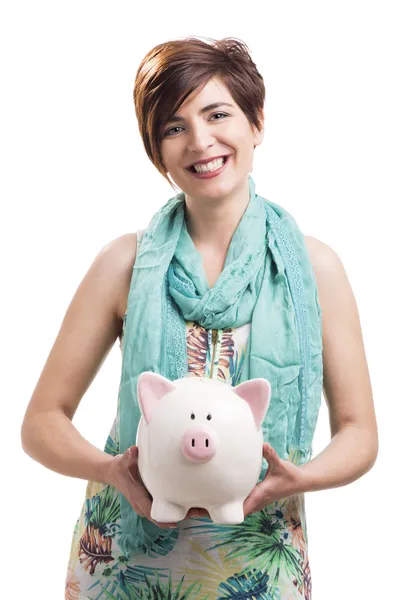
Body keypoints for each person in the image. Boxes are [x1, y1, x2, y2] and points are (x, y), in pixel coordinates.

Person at [21, 36, 378, 600]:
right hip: (124, 553)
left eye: (217, 114)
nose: (200, 141)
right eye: (173, 127)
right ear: (157, 151)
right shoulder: (125, 263)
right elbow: (41, 421)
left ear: (256, 121)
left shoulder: (314, 268)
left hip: (259, 555)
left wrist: (299, 478)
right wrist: (113, 470)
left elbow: (360, 433)